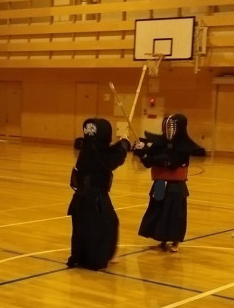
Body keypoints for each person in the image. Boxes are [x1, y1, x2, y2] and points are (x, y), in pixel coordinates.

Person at [67, 118, 131, 270]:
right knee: (108, 224)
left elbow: (108, 152)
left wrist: (121, 143)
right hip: (95, 199)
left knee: (83, 227)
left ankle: (82, 256)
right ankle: (98, 258)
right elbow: (114, 158)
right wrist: (124, 144)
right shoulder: (98, 155)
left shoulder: (87, 150)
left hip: (81, 198)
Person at [133, 113, 198, 253]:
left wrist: (149, 155)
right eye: (167, 126)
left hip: (175, 185)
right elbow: (148, 162)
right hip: (160, 183)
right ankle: (162, 238)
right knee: (158, 209)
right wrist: (142, 152)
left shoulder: (184, 147)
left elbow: (171, 162)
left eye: (172, 127)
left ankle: (175, 240)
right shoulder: (159, 144)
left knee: (175, 213)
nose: (169, 130)